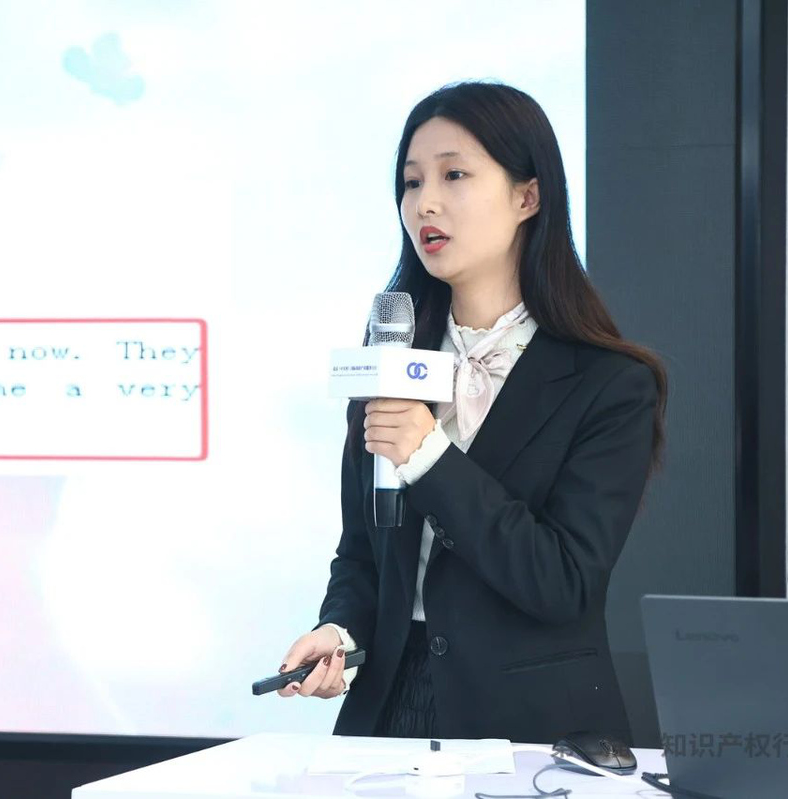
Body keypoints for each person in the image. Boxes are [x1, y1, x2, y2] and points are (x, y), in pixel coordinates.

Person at [275, 80, 668, 745]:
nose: (424, 203)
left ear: (527, 196)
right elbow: (364, 551)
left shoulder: (610, 384)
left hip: (534, 732)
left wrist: (428, 455)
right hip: (391, 713)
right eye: (411, 182)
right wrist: (340, 631)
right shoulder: (390, 361)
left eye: (453, 175)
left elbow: (562, 581)